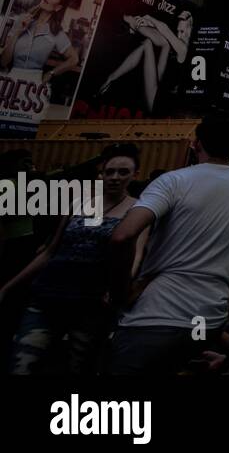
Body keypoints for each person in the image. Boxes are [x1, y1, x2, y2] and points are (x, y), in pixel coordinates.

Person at [106, 114, 229, 374]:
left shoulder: (172, 181)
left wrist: (121, 293)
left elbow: (122, 236)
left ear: (196, 144)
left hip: (151, 319)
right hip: (207, 324)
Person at [3, 144, 146, 373]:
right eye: (109, 171)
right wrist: (8, 287)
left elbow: (135, 255)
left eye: (123, 172)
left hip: (90, 304)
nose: (114, 177)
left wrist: (119, 287)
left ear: (135, 175)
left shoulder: (137, 210)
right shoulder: (83, 202)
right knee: (23, 363)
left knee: (77, 367)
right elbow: (52, 251)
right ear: (102, 173)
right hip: (48, 296)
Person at [95, 10, 193, 114]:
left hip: (160, 102)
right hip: (159, 85)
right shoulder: (179, 47)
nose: (179, 35)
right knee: (156, 43)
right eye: (178, 31)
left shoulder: (183, 49)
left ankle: (133, 24)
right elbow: (163, 35)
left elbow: (166, 30)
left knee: (157, 41)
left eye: (182, 32)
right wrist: (148, 23)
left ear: (189, 31)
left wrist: (149, 18)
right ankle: (111, 77)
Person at [1, 0, 80, 86]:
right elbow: (4, 62)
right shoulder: (22, 19)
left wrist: (51, 73)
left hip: (35, 85)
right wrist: (17, 32)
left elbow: (74, 59)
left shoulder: (56, 32)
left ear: (58, 7)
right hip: (11, 80)